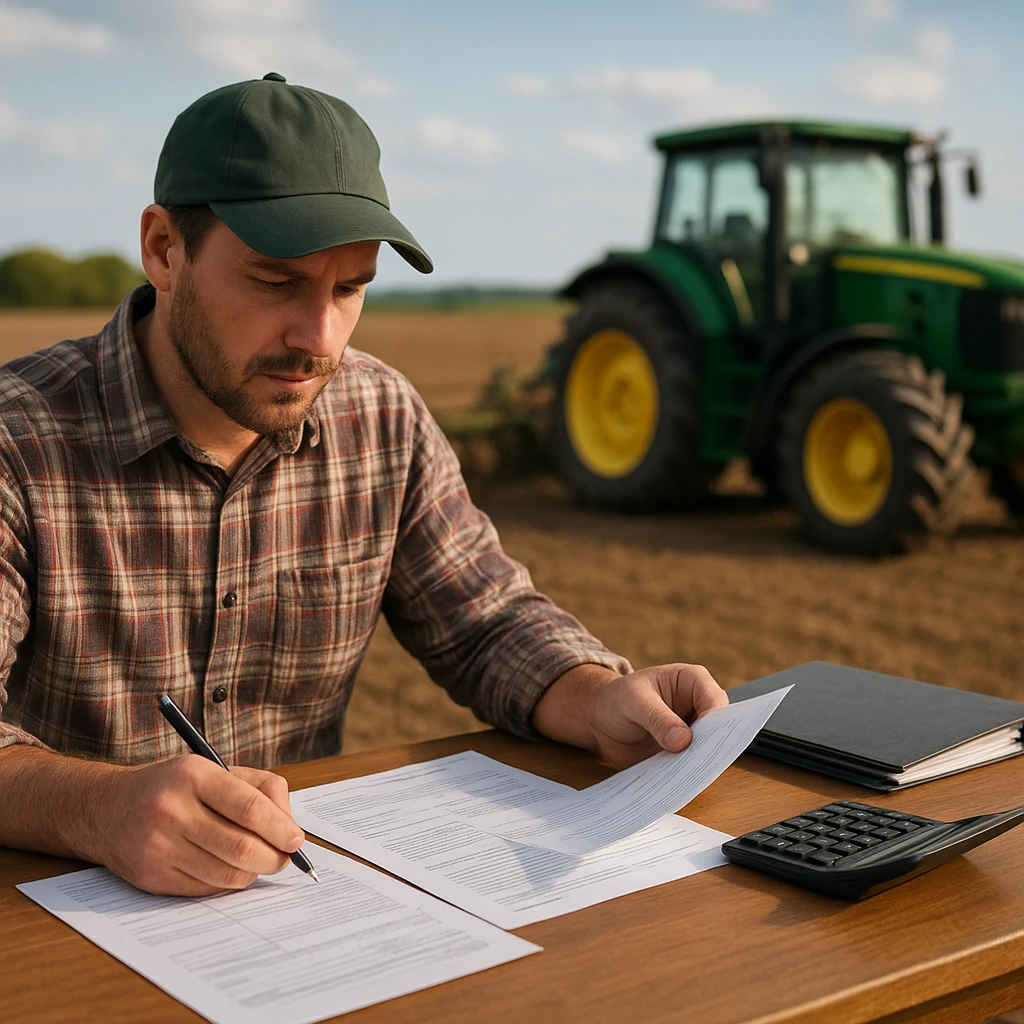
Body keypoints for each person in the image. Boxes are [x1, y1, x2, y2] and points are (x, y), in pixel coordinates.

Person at [0, 74, 727, 897]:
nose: (320, 337)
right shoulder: (17, 441)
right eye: (276, 281)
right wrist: (95, 809)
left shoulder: (381, 415)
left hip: (295, 906)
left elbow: (484, 623)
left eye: (351, 288)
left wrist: (599, 700)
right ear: (165, 248)